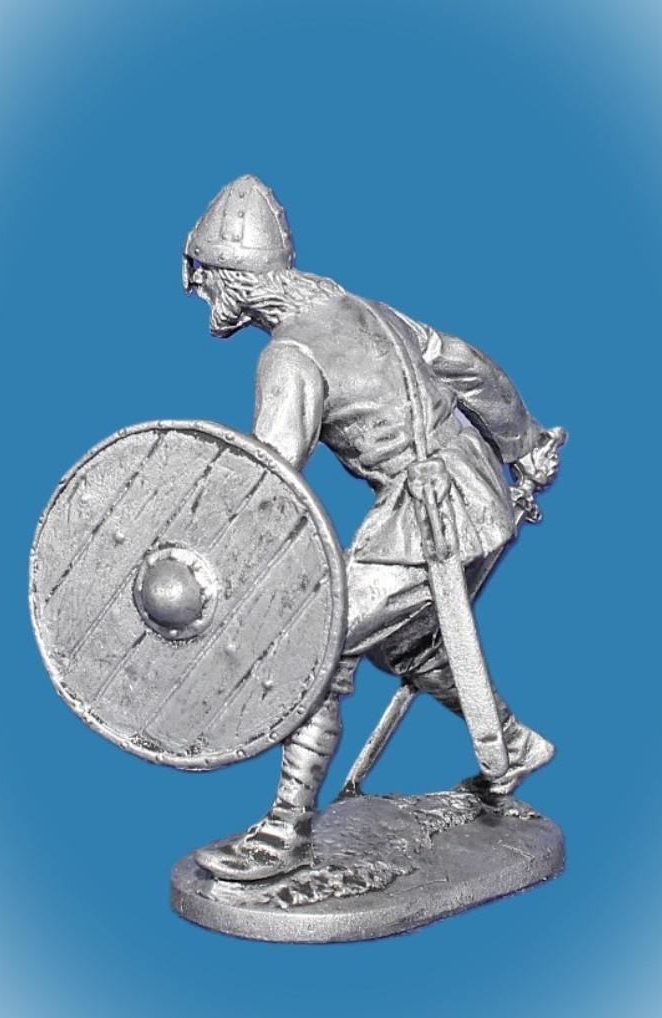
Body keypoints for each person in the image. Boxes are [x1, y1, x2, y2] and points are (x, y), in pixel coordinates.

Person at [183, 175, 557, 881]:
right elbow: (469, 366)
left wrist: (214, 556)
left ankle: (285, 831)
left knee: (319, 646)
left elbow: (272, 481)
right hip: (479, 495)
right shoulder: (366, 310)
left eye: (203, 276)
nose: (197, 291)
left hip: (430, 519)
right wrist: (525, 444)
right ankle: (510, 743)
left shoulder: (289, 354)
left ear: (233, 277)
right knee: (403, 643)